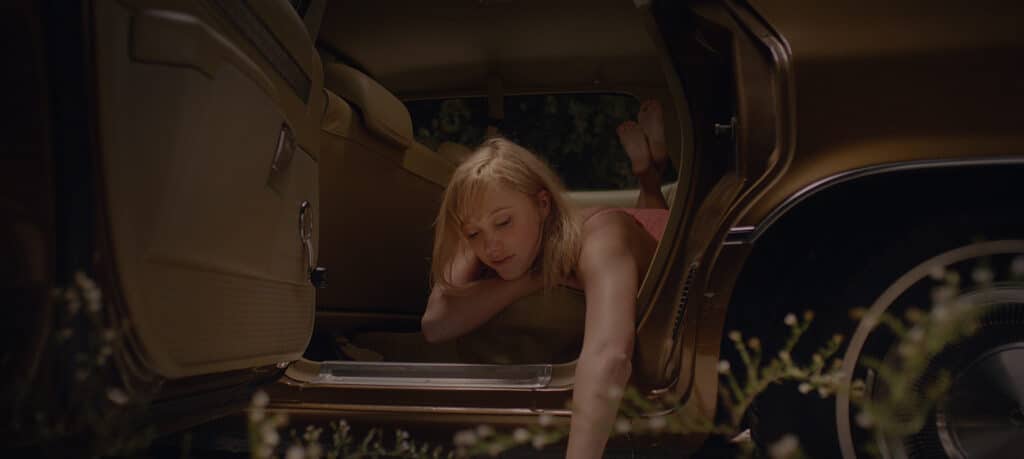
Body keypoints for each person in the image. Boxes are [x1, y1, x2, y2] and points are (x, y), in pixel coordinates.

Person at [421, 100, 671, 458]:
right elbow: (436, 324)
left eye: (504, 222)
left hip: (650, 242)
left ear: (542, 204)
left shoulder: (601, 237)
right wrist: (533, 279)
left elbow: (609, 357)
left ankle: (649, 173)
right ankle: (649, 170)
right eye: (474, 234)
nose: (491, 246)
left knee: (655, 213)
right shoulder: (484, 225)